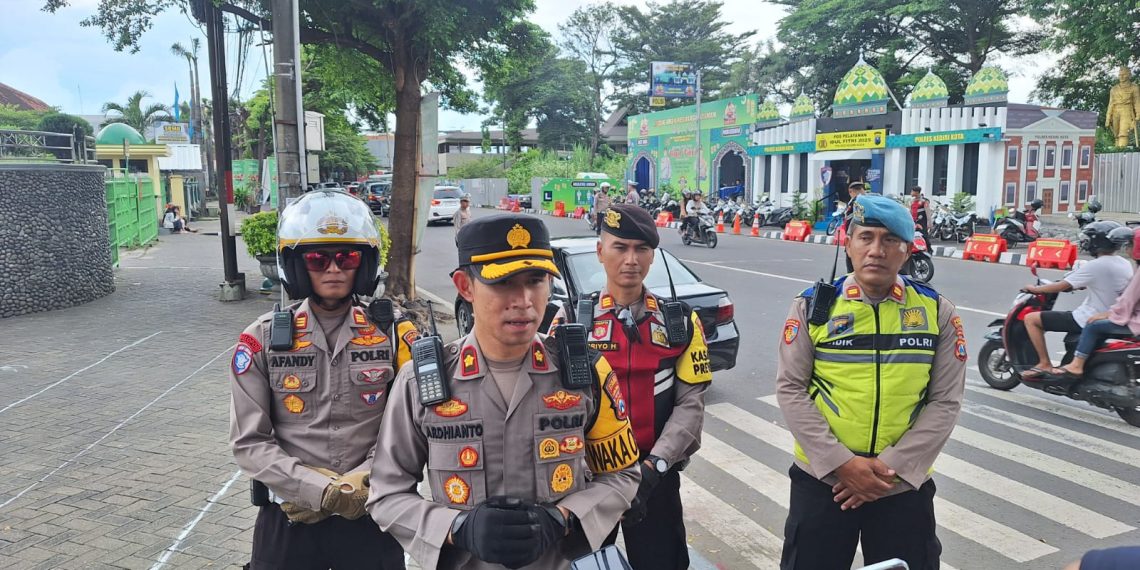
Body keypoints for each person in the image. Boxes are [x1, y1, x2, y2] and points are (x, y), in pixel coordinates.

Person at [366, 214, 641, 570]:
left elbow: (622, 476)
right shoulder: (421, 381)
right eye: (505, 283)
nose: (524, 300)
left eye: (535, 280)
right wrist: (456, 528)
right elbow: (386, 494)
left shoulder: (585, 373)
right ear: (466, 286)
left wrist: (564, 517)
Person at [229, 190, 419, 570]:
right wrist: (322, 492)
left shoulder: (397, 337)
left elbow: (413, 428)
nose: (333, 269)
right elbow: (249, 441)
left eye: (347, 257)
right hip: (290, 518)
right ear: (296, 265)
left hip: (371, 516)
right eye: (317, 258)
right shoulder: (261, 340)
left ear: (364, 264)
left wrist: (363, 482)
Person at [776, 193, 966, 570]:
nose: (876, 250)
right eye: (866, 238)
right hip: (823, 484)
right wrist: (842, 464)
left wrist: (889, 469)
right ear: (849, 244)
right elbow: (791, 388)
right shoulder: (814, 307)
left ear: (907, 251)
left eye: (890, 240)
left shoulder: (936, 311)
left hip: (900, 488)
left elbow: (945, 401)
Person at [587, 204, 712, 569]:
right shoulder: (573, 323)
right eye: (620, 247)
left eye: (641, 249)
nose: (631, 259)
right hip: (590, 483)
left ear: (652, 256)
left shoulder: (681, 322)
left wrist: (655, 466)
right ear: (600, 252)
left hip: (656, 477)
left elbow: (691, 403)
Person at [1019, 221, 1133, 378]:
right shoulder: (1125, 263)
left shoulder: (1096, 265)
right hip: (1114, 315)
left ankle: (1044, 363)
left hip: (1088, 317)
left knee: (1031, 319)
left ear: (1096, 241)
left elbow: (1061, 285)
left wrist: (1035, 289)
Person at [1054, 227, 1140, 378]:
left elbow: (1128, 300)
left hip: (1136, 321)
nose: (1126, 248)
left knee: (1092, 325)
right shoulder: (1128, 265)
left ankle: (1077, 364)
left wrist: (1109, 314)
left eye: (1130, 244)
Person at [842, 181, 866, 273]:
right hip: (853, 235)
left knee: (852, 262)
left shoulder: (859, 202)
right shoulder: (855, 201)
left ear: (850, 191)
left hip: (856, 235)